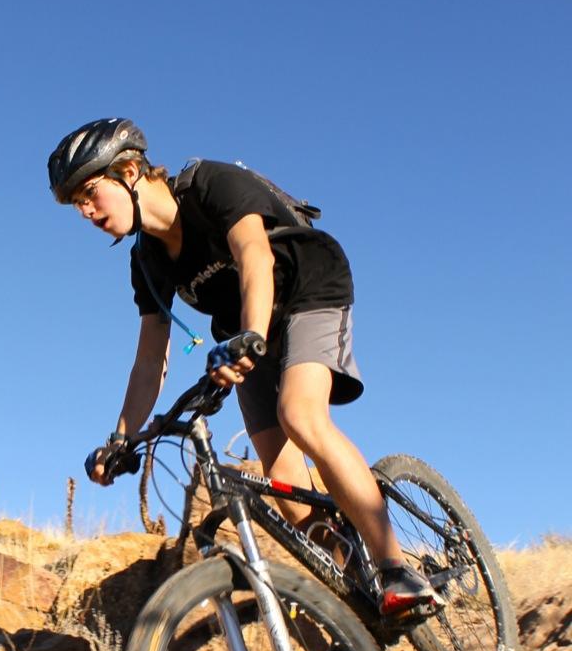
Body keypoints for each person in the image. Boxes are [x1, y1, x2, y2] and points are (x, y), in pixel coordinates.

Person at [47, 117, 438, 617]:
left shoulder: (208, 183)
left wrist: (250, 337)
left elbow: (254, 255)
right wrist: (121, 439)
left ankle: (395, 568)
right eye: (75, 203)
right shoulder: (146, 261)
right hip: (244, 330)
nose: (84, 211)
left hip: (306, 289)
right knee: (280, 474)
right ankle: (359, 591)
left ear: (128, 170)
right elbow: (150, 357)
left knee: (301, 415)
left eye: (88, 192)